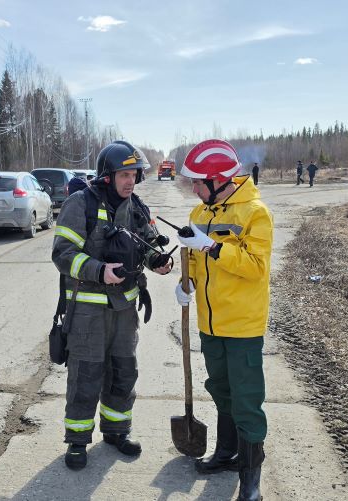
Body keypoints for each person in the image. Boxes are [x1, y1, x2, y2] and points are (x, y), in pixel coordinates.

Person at [51, 140, 173, 470]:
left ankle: (117, 431)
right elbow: (62, 254)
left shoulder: (136, 208)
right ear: (108, 175)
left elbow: (146, 246)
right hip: (87, 312)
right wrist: (98, 271)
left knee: (123, 372)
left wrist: (157, 262)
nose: (130, 180)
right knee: (86, 374)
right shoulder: (81, 204)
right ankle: (77, 441)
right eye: (123, 174)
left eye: (134, 174)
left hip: (124, 312)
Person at [175, 139, 273, 501]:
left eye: (199, 182)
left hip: (243, 326)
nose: (194, 189)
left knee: (246, 398)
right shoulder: (199, 215)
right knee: (220, 390)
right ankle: (227, 453)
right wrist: (185, 285)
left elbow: (255, 267)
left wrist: (212, 247)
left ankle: (250, 479)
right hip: (210, 325)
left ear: (218, 179)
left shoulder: (255, 213)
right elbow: (196, 266)